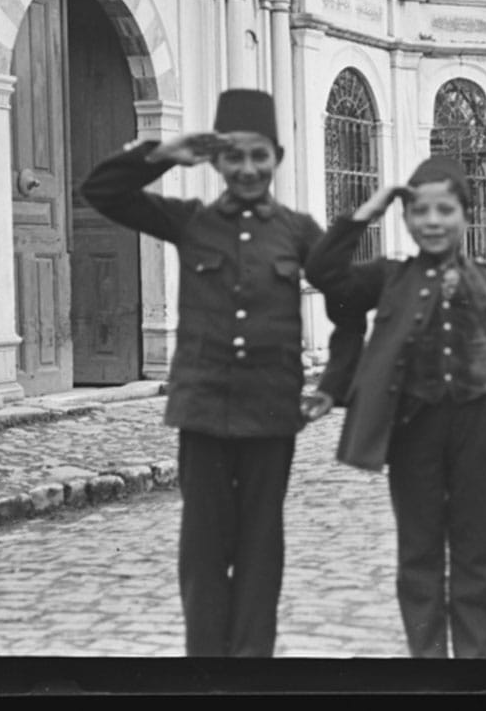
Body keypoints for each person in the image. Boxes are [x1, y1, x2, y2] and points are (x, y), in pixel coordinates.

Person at [78, 89, 320, 657]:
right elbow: (101, 191)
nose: (247, 168)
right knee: (204, 552)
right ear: (214, 162)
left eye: (259, 155)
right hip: (204, 412)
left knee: (262, 551)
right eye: (232, 156)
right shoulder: (188, 222)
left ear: (278, 157)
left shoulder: (298, 230)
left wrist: (337, 383)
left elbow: (348, 291)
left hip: (270, 414)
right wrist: (166, 152)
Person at [301, 156, 486, 658]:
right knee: (418, 555)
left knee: (475, 559)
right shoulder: (389, 276)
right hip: (413, 431)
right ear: (406, 219)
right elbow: (323, 271)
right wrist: (369, 208)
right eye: (419, 211)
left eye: (445, 210)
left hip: (481, 431)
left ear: (466, 214)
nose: (433, 222)